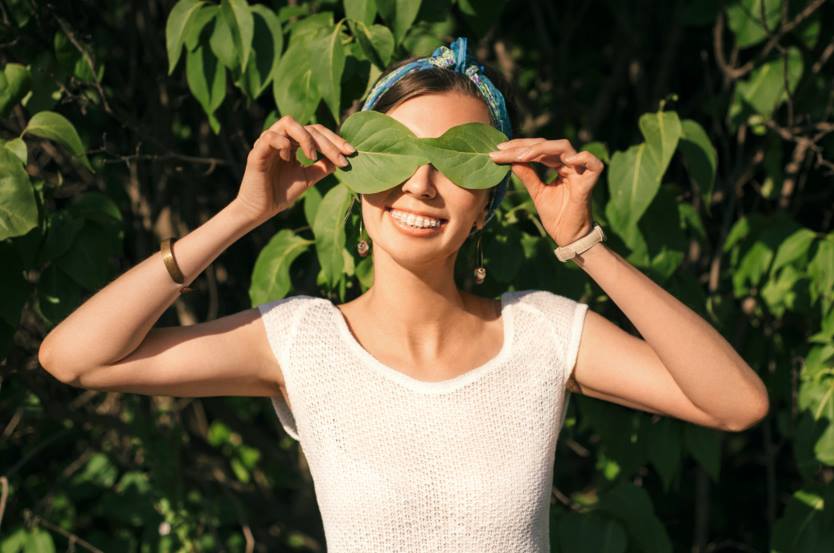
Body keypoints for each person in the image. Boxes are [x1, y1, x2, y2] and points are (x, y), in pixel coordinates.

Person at [38, 37, 769, 552]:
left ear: (486, 200)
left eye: (453, 163)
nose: (419, 185)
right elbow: (75, 357)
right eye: (397, 155)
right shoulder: (301, 341)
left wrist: (583, 244)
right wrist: (242, 215)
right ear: (355, 171)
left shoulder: (541, 333)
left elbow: (736, 402)